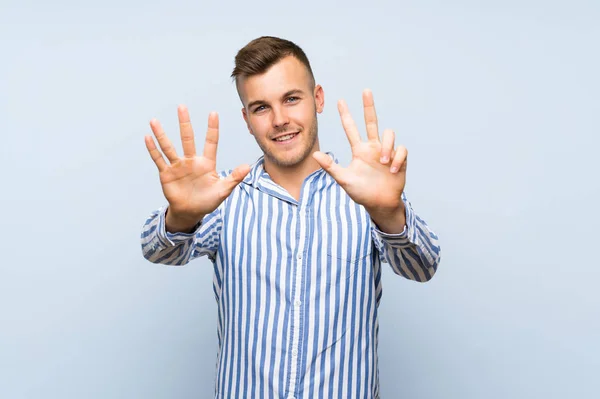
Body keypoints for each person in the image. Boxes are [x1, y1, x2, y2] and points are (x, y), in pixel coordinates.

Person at [140, 36, 441, 399]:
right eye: (261, 107)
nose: (280, 120)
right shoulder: (222, 197)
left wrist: (389, 212)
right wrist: (181, 216)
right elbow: (158, 250)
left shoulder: (367, 196)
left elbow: (422, 267)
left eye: (291, 99)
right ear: (247, 120)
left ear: (318, 99)